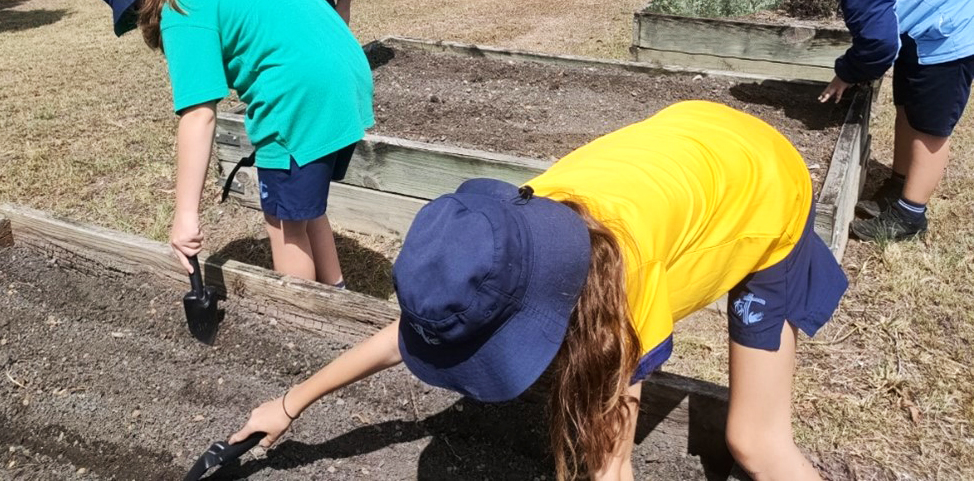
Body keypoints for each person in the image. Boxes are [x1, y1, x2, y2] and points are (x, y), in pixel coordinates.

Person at [229, 101, 847, 481]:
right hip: (690, 137)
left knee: (755, 444)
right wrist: (290, 404)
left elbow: (614, 468)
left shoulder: (622, 299)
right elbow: (406, 336)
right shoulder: (517, 227)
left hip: (764, 180)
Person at [89, 0, 374, 286]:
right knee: (302, 208)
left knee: (284, 223)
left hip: (299, 96)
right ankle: (337, 292)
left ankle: (305, 324)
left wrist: (185, 216)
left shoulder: (181, 4)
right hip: (346, 74)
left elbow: (199, 116)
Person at [780, 0, 974, 242]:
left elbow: (878, 44)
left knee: (930, 124)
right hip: (929, 27)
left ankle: (910, 216)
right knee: (909, 106)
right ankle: (898, 186)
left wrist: (846, 73)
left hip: (956, 29)